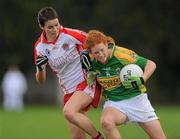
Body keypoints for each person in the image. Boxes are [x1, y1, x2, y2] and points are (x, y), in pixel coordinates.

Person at [34, 7, 103, 139]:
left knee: (68, 111)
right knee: (77, 137)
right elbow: (40, 80)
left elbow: (97, 42)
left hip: (86, 81)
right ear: (41, 27)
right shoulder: (39, 47)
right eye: (50, 27)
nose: (55, 29)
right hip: (69, 91)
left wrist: (102, 59)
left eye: (56, 25)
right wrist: (41, 67)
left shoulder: (70, 34)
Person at [83, 30, 167, 139]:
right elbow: (90, 81)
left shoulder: (121, 54)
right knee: (106, 122)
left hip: (138, 100)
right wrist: (88, 71)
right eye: (96, 53)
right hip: (115, 103)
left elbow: (151, 64)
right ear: (91, 53)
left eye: (102, 50)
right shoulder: (91, 61)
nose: (100, 54)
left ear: (106, 44)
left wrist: (142, 79)